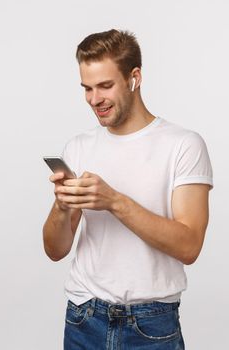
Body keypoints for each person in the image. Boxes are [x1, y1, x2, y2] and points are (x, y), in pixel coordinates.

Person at [42, 29, 213, 349]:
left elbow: (189, 246)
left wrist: (115, 201)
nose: (95, 99)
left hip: (150, 324)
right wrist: (61, 207)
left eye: (105, 86)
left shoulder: (183, 145)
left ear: (134, 77)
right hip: (83, 316)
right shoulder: (79, 147)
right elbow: (55, 250)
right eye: (87, 88)